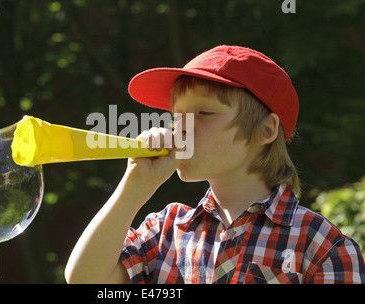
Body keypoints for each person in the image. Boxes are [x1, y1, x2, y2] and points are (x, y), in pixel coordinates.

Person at [65, 45, 365, 284]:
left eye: (204, 113)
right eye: (176, 115)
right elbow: (83, 279)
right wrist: (136, 183)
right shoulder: (165, 230)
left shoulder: (322, 247)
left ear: (265, 131)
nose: (180, 127)